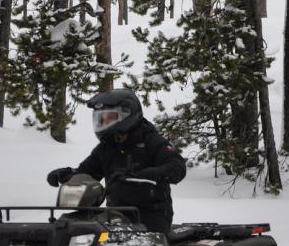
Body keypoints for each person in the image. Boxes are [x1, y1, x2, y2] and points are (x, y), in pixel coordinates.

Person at [45, 89, 186, 233]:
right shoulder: (107, 147)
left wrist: (144, 175)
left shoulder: (151, 141)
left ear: (127, 115)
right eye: (100, 119)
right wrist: (68, 175)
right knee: (79, 231)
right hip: (116, 215)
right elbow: (87, 172)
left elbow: (177, 167)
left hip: (151, 216)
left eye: (108, 118)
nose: (103, 123)